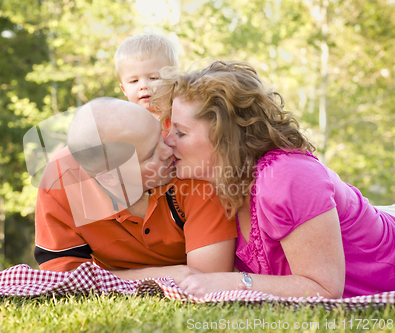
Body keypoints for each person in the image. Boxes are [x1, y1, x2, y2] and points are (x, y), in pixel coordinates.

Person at [150, 60, 395, 298]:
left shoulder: (287, 177)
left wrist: (234, 282)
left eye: (180, 132)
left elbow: (324, 289)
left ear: (224, 137)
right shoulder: (213, 185)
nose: (168, 140)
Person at [34, 97, 237, 282]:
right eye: (150, 155)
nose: (169, 150)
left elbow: (208, 281)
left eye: (160, 135)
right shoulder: (59, 182)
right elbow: (61, 278)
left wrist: (105, 279)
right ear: (111, 177)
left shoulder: (189, 168)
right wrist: (160, 275)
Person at [115, 34, 179, 120]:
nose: (144, 86)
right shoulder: (124, 124)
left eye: (153, 78)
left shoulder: (181, 118)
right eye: (134, 81)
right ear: (124, 89)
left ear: (173, 81)